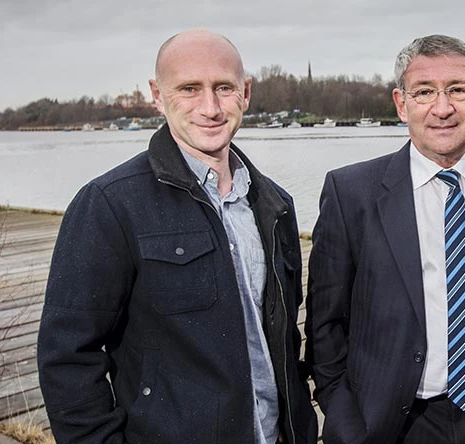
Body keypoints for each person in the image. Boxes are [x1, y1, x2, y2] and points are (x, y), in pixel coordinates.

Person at [37, 29, 317, 443]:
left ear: (246, 93)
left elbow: (283, 338)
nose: (210, 107)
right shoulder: (110, 204)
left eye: (224, 87)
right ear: (157, 94)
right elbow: (67, 358)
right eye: (189, 88)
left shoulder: (275, 205)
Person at [303, 34, 465, 444]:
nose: (443, 108)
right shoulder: (351, 192)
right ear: (402, 105)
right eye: (424, 92)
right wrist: (347, 422)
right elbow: (325, 325)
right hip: (395, 424)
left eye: (456, 90)